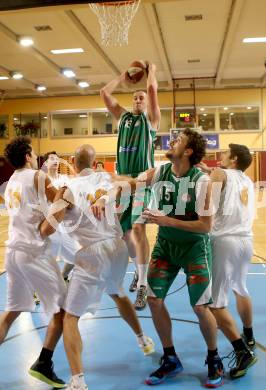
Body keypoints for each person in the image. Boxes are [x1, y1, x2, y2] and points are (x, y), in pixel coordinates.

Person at [105, 129, 224, 388]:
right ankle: (170, 358)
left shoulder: (201, 182)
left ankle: (214, 358)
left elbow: (205, 226)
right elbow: (132, 182)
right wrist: (107, 182)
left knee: (200, 307)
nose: (171, 141)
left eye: (178, 140)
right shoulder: (160, 172)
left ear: (189, 151)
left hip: (194, 248)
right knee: (154, 300)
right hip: (166, 246)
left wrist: (164, 220)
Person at [40, 144, 155, 390]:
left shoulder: (68, 187)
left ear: (72, 160)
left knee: (70, 318)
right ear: (95, 163)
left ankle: (78, 380)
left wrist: (42, 223)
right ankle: (143, 339)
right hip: (118, 248)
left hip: (94, 253)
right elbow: (136, 182)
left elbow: (50, 225)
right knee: (118, 292)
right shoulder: (108, 177)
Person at [0, 136, 66, 388]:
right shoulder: (38, 176)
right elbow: (61, 204)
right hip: (33, 252)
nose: (37, 156)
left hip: (12, 252)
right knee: (63, 310)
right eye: (34, 153)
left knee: (11, 310)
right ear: (27, 156)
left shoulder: (12, 180)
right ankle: (44, 363)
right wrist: (68, 196)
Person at [100, 61, 161, 310]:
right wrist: (122, 76)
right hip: (123, 182)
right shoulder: (123, 117)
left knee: (137, 229)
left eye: (141, 98)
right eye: (135, 97)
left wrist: (151, 72)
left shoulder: (151, 120)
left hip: (142, 181)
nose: (138, 100)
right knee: (124, 233)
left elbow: (153, 91)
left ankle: (144, 284)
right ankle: (139, 271)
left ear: (146, 103)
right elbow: (104, 93)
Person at [198, 144, 257, 378]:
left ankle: (242, 352)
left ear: (232, 159)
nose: (220, 156)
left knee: (214, 304)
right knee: (240, 288)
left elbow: (206, 204)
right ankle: (249, 336)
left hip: (224, 242)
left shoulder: (220, 174)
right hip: (246, 241)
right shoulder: (247, 180)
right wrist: (208, 172)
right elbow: (224, 185)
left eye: (224, 154)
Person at [42, 151, 80, 281]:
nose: (56, 161)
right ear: (45, 163)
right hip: (50, 224)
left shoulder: (65, 179)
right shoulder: (41, 180)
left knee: (76, 258)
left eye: (57, 159)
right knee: (47, 260)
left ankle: (64, 276)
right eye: (52, 158)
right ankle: (37, 289)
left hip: (65, 225)